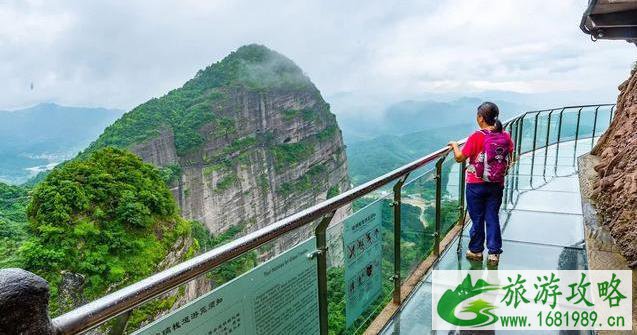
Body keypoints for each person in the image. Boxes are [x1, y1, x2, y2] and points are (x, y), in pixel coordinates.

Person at [448, 102, 514, 266]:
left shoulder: (477, 136)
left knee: (477, 218)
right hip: (496, 184)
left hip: (476, 184)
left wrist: (455, 145)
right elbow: (511, 153)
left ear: (481, 118)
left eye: (478, 115)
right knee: (492, 216)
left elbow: (460, 158)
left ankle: (476, 251)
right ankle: (493, 253)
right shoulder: (504, 135)